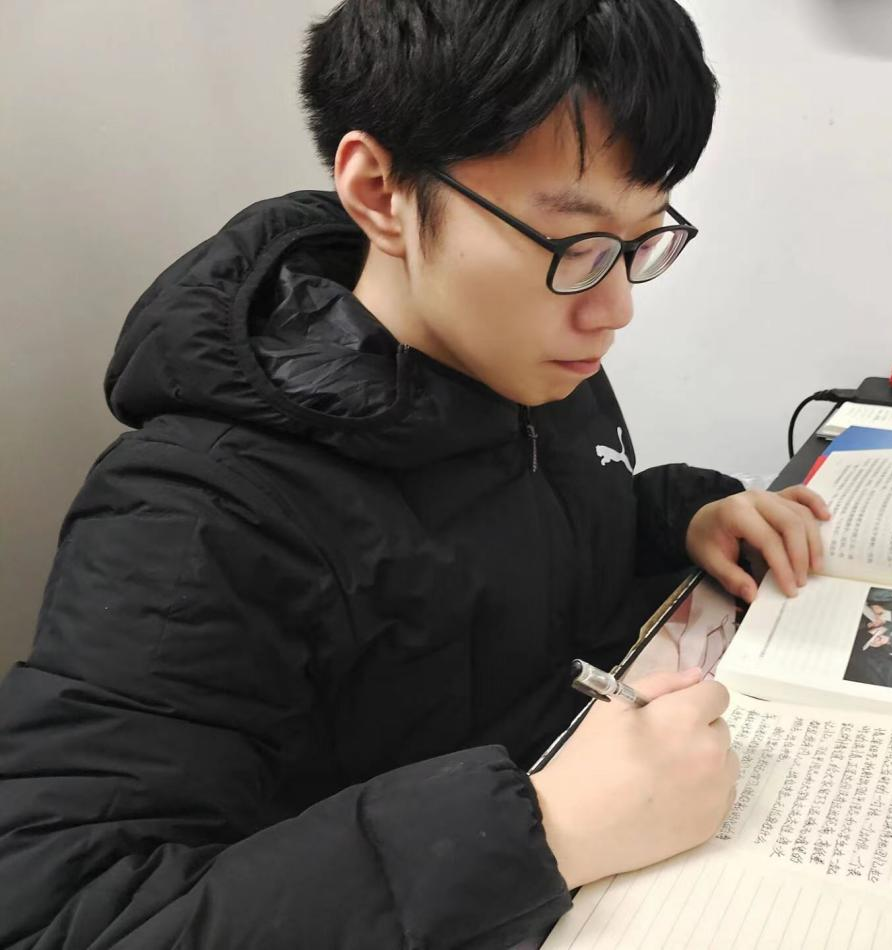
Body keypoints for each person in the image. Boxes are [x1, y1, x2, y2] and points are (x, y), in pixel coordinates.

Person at [0, 3, 831, 947]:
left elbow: (525, 555)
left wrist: (681, 514)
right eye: (574, 243)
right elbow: (56, 913)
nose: (613, 307)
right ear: (379, 190)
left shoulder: (523, 361)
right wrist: (541, 831)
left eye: (638, 243)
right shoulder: (196, 518)